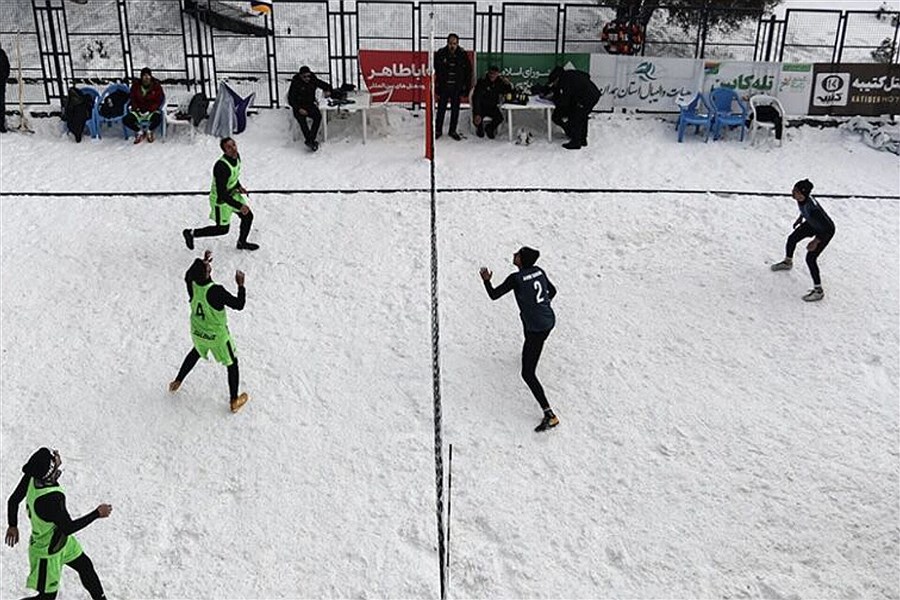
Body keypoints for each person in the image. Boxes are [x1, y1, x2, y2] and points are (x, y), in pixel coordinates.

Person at [5, 448, 112, 600]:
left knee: (85, 566)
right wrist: (97, 513)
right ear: (50, 471)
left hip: (62, 542)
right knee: (47, 597)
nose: (57, 455)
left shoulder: (33, 475)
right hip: (47, 552)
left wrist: (13, 525)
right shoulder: (50, 500)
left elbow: (13, 500)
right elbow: (68, 527)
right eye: (53, 458)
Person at [479, 247, 560, 432]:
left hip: (536, 328)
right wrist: (540, 307)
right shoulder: (539, 271)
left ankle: (550, 415)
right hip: (549, 320)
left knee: (527, 373)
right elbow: (552, 291)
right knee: (533, 339)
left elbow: (494, 295)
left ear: (522, 260)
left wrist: (486, 281)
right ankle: (531, 351)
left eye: (518, 254)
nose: (514, 254)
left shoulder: (515, 279)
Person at [169, 249, 250, 413]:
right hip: (217, 336)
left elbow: (189, 276)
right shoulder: (217, 291)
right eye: (206, 267)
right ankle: (234, 400)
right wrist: (241, 285)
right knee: (232, 363)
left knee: (196, 352)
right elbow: (239, 305)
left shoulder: (192, 285)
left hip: (198, 332)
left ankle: (177, 382)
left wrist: (203, 263)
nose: (208, 266)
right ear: (206, 274)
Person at [183, 137, 259, 251]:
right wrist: (240, 206)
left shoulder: (237, 157)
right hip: (221, 200)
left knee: (248, 216)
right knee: (222, 229)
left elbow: (234, 177)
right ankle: (191, 233)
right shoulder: (221, 167)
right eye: (229, 147)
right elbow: (222, 194)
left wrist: (239, 187)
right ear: (224, 151)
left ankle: (242, 242)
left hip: (232, 194)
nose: (233, 148)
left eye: (233, 145)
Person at [770, 179, 836, 302]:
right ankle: (787, 262)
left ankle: (818, 291)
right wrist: (801, 218)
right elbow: (804, 209)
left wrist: (816, 241)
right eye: (793, 189)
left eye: (795, 191)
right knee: (792, 238)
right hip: (812, 223)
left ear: (802, 193)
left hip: (825, 231)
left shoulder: (815, 210)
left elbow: (826, 228)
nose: (792, 192)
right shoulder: (802, 199)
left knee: (810, 258)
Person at [544, 66, 600, 150]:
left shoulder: (565, 81)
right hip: (592, 94)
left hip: (587, 97)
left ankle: (576, 142)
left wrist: (553, 98)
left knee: (577, 117)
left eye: (554, 82)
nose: (554, 84)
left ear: (557, 79)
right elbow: (586, 75)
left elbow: (564, 101)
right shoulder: (567, 75)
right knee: (582, 117)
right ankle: (582, 139)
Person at [434, 33, 472, 141]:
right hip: (444, 87)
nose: (452, 46)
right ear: (447, 43)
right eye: (450, 43)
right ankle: (438, 130)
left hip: (457, 87)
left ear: (457, 44)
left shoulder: (462, 54)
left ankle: (452, 130)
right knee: (441, 109)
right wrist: (437, 85)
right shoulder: (441, 53)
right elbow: (435, 69)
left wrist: (466, 87)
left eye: (454, 44)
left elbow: (468, 72)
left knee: (455, 110)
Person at [287, 65, 332, 151]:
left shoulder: (313, 79)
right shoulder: (295, 82)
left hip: (309, 104)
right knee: (302, 120)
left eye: (309, 76)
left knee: (318, 117)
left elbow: (325, 85)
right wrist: (299, 109)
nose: (307, 78)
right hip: (298, 106)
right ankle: (311, 141)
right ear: (300, 76)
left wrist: (328, 91)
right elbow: (291, 99)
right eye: (305, 77)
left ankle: (310, 140)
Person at [123, 67, 164, 144]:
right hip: (138, 111)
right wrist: (137, 109)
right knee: (126, 119)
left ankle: (149, 131)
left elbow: (159, 100)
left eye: (148, 76)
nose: (146, 78)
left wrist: (150, 109)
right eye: (144, 76)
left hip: (151, 111)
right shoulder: (135, 86)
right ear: (141, 77)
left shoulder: (156, 86)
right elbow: (132, 99)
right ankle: (139, 132)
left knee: (158, 118)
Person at [471, 65, 513, 139]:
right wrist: (477, 113)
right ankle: (480, 128)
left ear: (497, 74)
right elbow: (476, 98)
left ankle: (489, 128)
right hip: (481, 106)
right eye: (491, 73)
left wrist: (507, 84)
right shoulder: (482, 82)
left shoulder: (499, 82)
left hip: (492, 107)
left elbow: (507, 92)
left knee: (499, 118)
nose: (492, 75)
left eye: (494, 74)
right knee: (479, 129)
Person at [0, 44, 9, 133]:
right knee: (1, 105)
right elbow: (7, 69)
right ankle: (1, 125)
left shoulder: (2, 54)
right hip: (1, 84)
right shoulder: (2, 54)